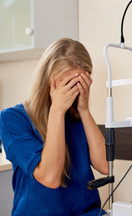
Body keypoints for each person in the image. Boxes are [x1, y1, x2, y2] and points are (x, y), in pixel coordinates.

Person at [0, 38, 109, 215]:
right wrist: (57, 111)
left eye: (78, 84)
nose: (72, 91)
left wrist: (84, 109)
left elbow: (105, 165)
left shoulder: (77, 117)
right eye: (67, 84)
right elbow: (50, 178)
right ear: (47, 81)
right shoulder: (12, 119)